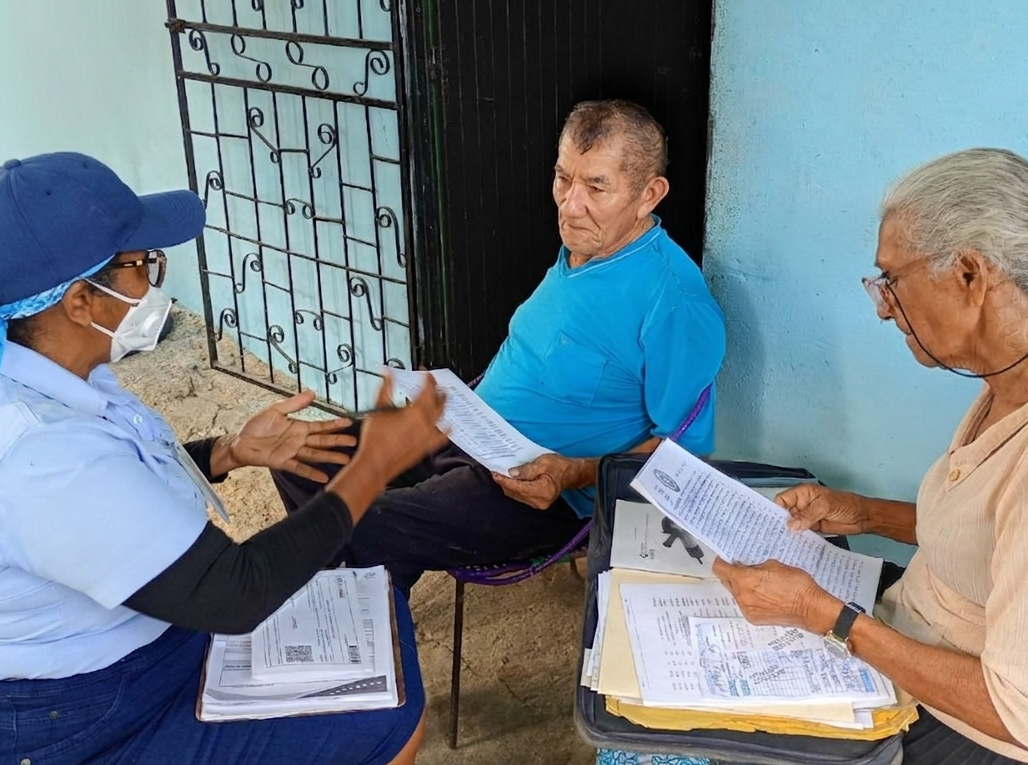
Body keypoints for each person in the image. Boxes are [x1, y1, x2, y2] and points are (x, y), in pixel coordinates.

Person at [0, 152, 449, 765]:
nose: (154, 280)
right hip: (44, 758)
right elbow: (236, 592)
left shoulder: (15, 374)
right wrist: (374, 463)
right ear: (79, 301)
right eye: (141, 264)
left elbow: (98, 505)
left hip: (75, 695)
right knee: (383, 715)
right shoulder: (38, 450)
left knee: (376, 648)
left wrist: (228, 452)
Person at [700, 149, 1028, 765]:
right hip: (937, 662)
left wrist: (825, 615)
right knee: (722, 734)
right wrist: (866, 513)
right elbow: (1007, 537)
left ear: (969, 273)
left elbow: (1023, 712)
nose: (882, 308)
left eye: (890, 280)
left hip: (1013, 760)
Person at [272, 100, 727, 592]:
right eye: (563, 178)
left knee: (347, 519)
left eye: (597, 186)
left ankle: (364, 597)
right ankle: (369, 586)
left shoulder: (673, 301)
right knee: (297, 456)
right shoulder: (583, 250)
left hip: (538, 490)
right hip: (468, 432)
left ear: (649, 194)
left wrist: (571, 472)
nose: (570, 205)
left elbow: (684, 456)